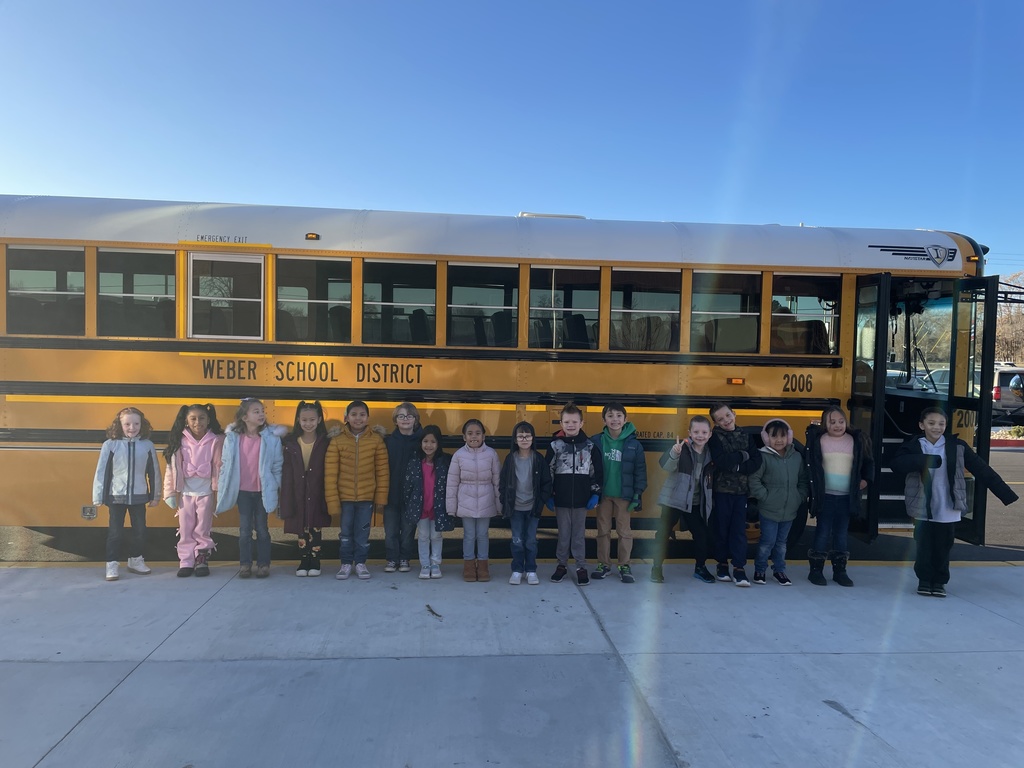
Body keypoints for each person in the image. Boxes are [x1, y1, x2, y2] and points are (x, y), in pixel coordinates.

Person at [891, 407, 1018, 597]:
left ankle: (940, 582)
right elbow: (897, 464)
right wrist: (924, 460)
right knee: (924, 546)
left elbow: (982, 469)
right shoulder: (914, 445)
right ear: (921, 425)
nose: (937, 427)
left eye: (941, 424)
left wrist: (1005, 493)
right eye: (931, 423)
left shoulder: (957, 445)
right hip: (922, 505)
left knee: (943, 546)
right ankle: (925, 581)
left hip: (948, 505)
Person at [804, 406, 873, 587]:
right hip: (825, 496)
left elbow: (867, 462)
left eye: (841, 421)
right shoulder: (819, 441)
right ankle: (816, 570)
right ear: (824, 424)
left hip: (846, 497)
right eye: (832, 422)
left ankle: (839, 571)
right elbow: (810, 466)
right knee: (823, 532)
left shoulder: (856, 440)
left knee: (841, 533)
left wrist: (866, 480)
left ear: (846, 422)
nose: (837, 425)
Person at [216, 398, 285, 579]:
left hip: (263, 491)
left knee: (262, 529)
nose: (261, 414)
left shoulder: (271, 438)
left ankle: (264, 564)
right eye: (256, 411)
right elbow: (225, 464)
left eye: (262, 410)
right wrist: (223, 485)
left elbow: (277, 465)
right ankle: (245, 564)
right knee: (245, 530)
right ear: (244, 417)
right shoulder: (233, 438)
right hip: (243, 492)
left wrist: (276, 486)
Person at [92, 407, 161, 582]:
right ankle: (112, 563)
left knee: (140, 531)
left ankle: (135, 560)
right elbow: (102, 472)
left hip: (139, 496)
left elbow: (154, 472)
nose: (132, 427)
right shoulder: (111, 445)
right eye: (127, 424)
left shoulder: (147, 445)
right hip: (116, 496)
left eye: (136, 423)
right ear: (119, 425)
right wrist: (99, 495)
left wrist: (155, 495)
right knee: (115, 532)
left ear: (142, 424)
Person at [325, 400, 389, 581]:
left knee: (362, 532)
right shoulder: (337, 441)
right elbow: (330, 473)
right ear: (346, 417)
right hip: (344, 497)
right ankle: (345, 563)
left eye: (362, 415)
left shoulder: (376, 440)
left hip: (366, 498)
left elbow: (382, 471)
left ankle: (360, 563)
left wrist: (381, 498)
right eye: (354, 414)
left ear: (368, 418)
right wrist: (333, 500)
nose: (358, 418)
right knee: (345, 532)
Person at [651, 416, 715, 584]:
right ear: (689, 433)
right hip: (674, 500)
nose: (700, 435)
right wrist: (674, 453)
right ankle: (656, 568)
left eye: (704, 432)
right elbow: (665, 466)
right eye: (696, 432)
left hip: (694, 502)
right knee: (663, 534)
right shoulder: (682, 449)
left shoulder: (711, 453)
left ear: (710, 434)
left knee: (702, 535)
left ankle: (700, 567)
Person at [162, 404, 224, 577]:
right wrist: (170, 493)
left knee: (203, 527)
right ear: (186, 421)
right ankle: (186, 561)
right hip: (186, 493)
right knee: (185, 527)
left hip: (206, 492)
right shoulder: (180, 441)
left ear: (209, 420)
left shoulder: (216, 440)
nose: (198, 422)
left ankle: (201, 557)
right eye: (193, 418)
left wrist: (221, 492)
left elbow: (220, 466)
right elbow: (171, 469)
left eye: (202, 418)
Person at [545, 403, 603, 586]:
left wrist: (595, 494)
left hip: (582, 500)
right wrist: (549, 494)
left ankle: (580, 566)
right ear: (561, 423)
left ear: (581, 423)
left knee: (578, 534)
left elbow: (597, 473)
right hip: (560, 499)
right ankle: (561, 565)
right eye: (567, 422)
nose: (571, 425)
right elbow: (548, 471)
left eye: (574, 421)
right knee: (563, 534)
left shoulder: (590, 447)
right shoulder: (555, 446)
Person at [748, 419, 808, 586]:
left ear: (789, 437)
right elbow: (754, 479)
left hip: (790, 510)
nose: (779, 440)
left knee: (782, 543)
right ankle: (760, 569)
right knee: (767, 542)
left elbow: (803, 480)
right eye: (774, 436)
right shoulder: (763, 457)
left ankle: (779, 571)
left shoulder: (796, 457)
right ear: (766, 438)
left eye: (783, 436)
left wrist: (799, 496)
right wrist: (764, 497)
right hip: (769, 509)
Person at [708, 402, 762, 587]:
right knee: (721, 529)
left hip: (741, 493)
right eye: (720, 419)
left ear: (734, 413)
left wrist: (737, 465)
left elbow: (756, 460)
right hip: (721, 491)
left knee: (739, 531)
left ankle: (739, 568)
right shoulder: (714, 437)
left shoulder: (745, 435)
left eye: (728, 416)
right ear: (715, 422)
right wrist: (741, 456)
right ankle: (721, 564)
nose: (726, 421)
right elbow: (720, 460)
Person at [592, 402, 647, 583]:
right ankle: (604, 564)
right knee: (603, 530)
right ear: (604, 419)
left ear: (625, 419)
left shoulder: (634, 444)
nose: (614, 419)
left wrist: (637, 494)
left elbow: (640, 471)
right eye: (610, 416)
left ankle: (624, 564)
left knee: (624, 531)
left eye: (618, 416)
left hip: (624, 495)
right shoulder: (597, 441)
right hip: (604, 494)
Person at [280, 401, 332, 577]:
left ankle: (315, 561)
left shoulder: (326, 441)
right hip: (297, 489)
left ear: (319, 420)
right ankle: (304, 560)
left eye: (312, 419)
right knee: (301, 524)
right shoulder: (291, 442)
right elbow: (286, 470)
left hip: (318, 489)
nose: (308, 423)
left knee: (315, 525)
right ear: (298, 420)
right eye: (304, 420)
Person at [446, 418, 501, 582]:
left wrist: (500, 505)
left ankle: (483, 567)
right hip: (466, 501)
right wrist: (451, 507)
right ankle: (469, 566)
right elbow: (452, 483)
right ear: (464, 437)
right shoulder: (459, 455)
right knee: (469, 535)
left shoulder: (491, 454)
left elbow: (497, 481)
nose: (474, 437)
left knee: (483, 534)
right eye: (470, 433)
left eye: (478, 433)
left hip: (486, 500)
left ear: (484, 436)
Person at [498, 421, 553, 585]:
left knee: (530, 540)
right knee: (517, 540)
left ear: (532, 438)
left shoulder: (538, 459)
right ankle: (516, 570)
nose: (524, 439)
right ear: (515, 440)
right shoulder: (510, 459)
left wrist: (541, 500)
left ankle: (531, 570)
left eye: (527, 436)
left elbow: (546, 483)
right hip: (515, 508)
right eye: (520, 436)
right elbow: (503, 483)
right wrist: (504, 500)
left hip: (532, 508)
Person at [402, 425, 454, 579]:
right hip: (421, 507)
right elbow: (407, 486)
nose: (429, 445)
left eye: (433, 442)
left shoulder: (445, 462)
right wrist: (410, 503)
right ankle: (425, 564)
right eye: (425, 441)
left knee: (436, 536)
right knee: (423, 536)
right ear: (421, 443)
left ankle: (435, 564)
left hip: (438, 507)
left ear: (438, 444)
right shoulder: (415, 462)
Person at [384, 402, 423, 573]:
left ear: (415, 420)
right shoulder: (388, 442)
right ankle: (392, 559)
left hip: (412, 495)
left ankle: (405, 558)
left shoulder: (422, 441)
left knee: (408, 531)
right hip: (390, 494)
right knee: (391, 530)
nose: (405, 419)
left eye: (409, 416)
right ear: (395, 420)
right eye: (401, 416)